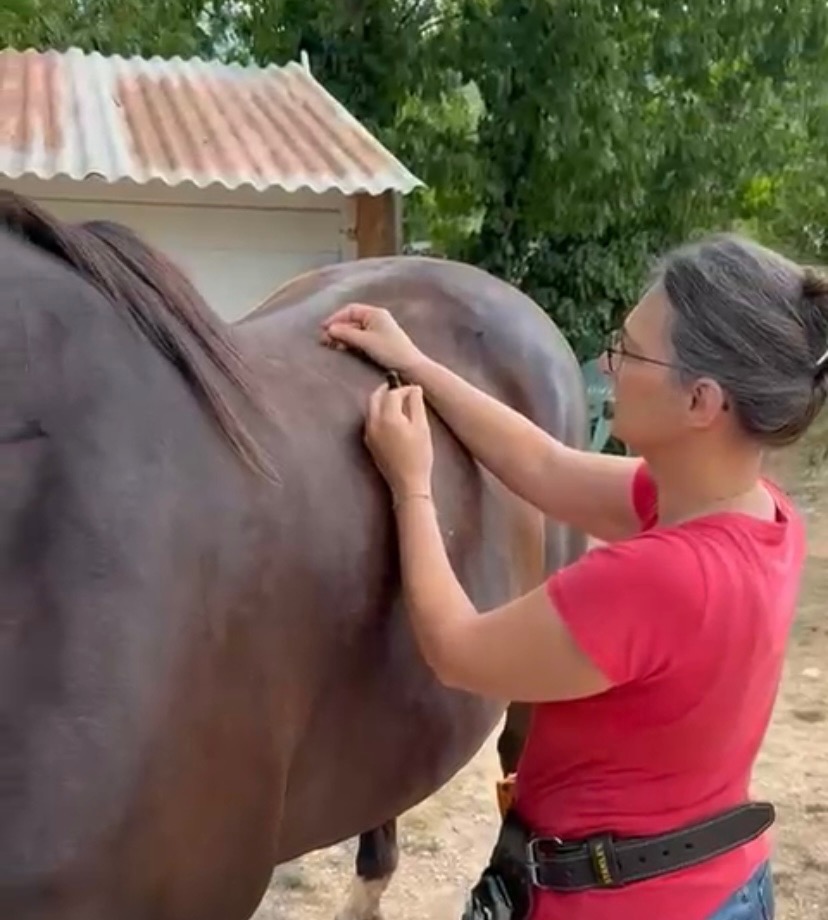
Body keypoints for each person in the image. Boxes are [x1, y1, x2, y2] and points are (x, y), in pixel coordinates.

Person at [320, 233, 826, 920]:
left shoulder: (658, 579)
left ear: (701, 402)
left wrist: (412, 484)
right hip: (719, 885)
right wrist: (416, 363)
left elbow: (456, 648)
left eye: (628, 350)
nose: (608, 367)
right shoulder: (758, 515)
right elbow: (546, 467)